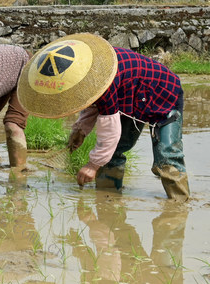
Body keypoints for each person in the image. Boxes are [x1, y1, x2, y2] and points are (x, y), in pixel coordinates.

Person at [17, 32, 190, 200]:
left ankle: (179, 206)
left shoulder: (103, 76)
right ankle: (108, 200)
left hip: (164, 93)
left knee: (167, 157)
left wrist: (92, 166)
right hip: (129, 96)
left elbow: (110, 129)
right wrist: (80, 130)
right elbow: (93, 103)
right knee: (112, 154)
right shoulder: (88, 75)